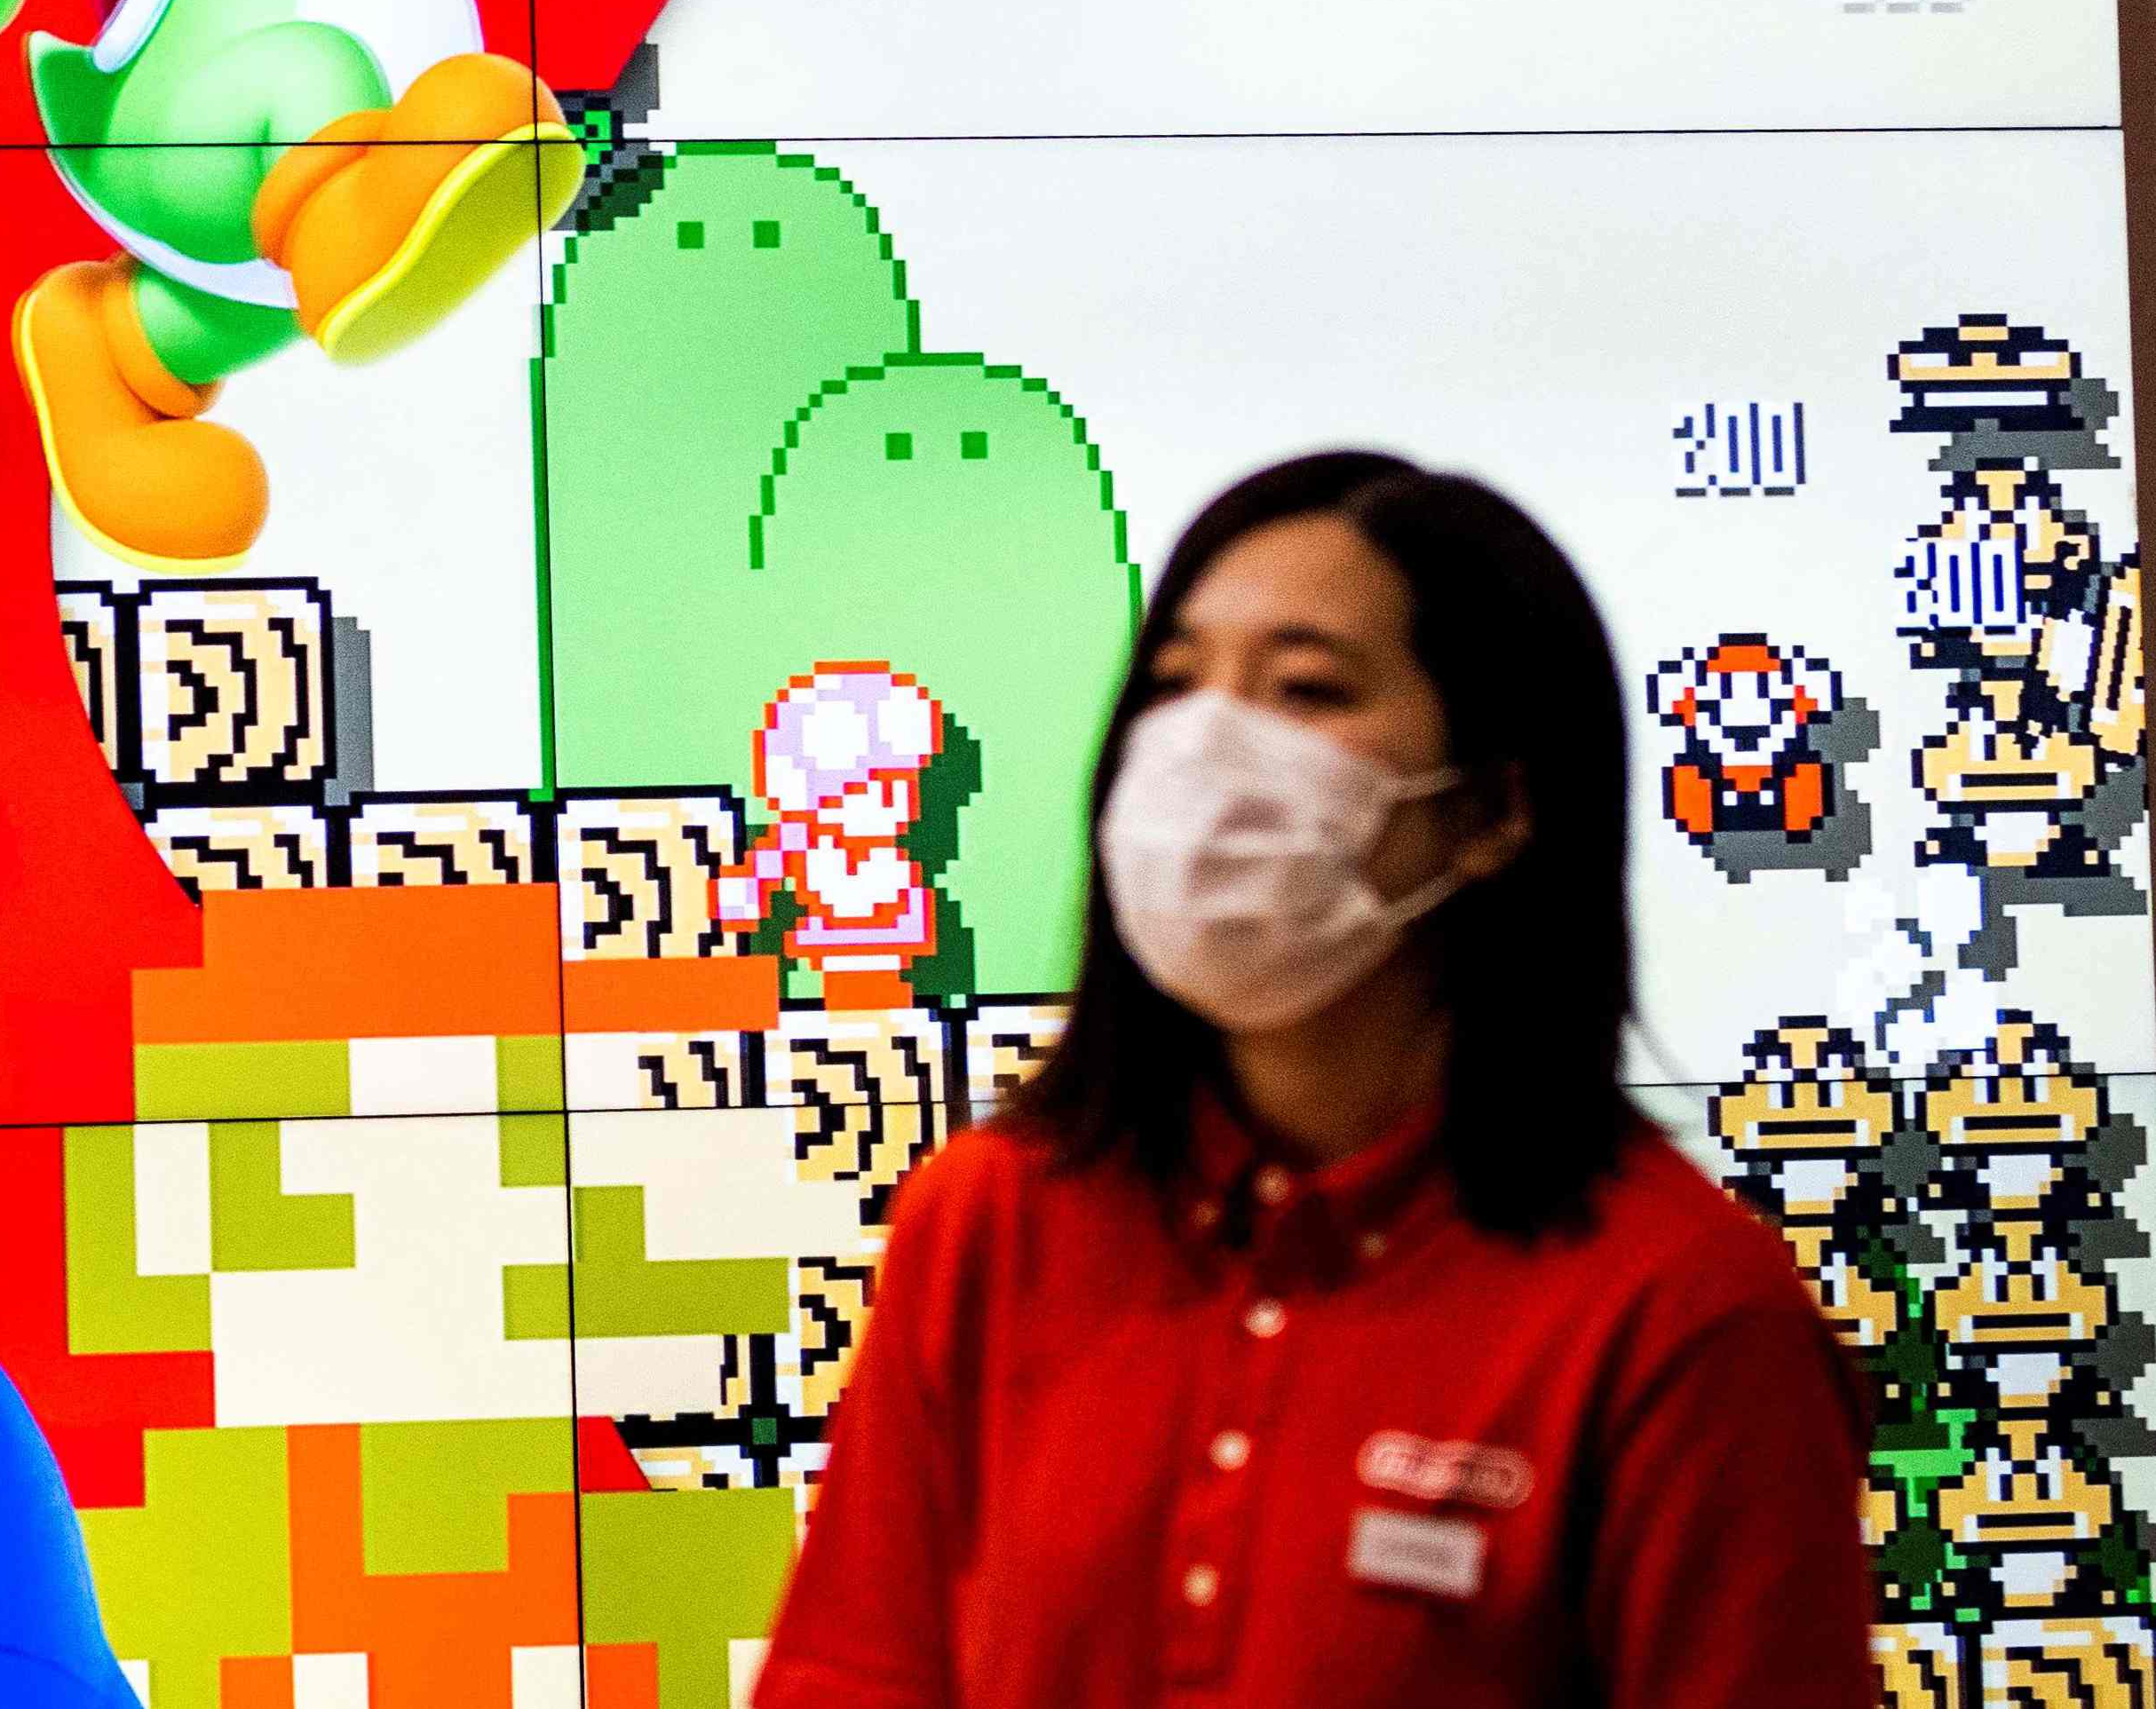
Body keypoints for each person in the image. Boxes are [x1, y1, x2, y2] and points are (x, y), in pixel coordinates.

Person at [760, 449, 1871, 1709]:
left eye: (1304, 689)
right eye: (1174, 683)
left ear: (1492, 808)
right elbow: (850, 1672)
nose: (1205, 747)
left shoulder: (1681, 1310)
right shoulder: (990, 1220)